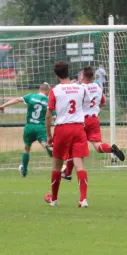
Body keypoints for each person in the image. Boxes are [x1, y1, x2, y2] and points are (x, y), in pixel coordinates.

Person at [62, 66, 124, 181]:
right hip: (94, 120)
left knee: (73, 148)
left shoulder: (80, 88)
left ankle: (68, 173)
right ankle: (111, 149)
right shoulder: (97, 87)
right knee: (98, 145)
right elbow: (102, 102)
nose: (80, 76)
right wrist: (96, 110)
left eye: (81, 75)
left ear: (83, 76)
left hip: (81, 121)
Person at [44, 61, 89, 208]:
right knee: (79, 165)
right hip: (78, 128)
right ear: (68, 71)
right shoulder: (80, 88)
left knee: (57, 166)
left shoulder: (55, 90)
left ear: (56, 74)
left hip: (62, 128)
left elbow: (48, 115)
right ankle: (83, 199)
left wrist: (49, 135)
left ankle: (54, 199)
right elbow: (85, 105)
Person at [0, 83, 53, 177]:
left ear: (39, 89)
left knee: (26, 148)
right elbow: (53, 116)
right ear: (48, 91)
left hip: (29, 127)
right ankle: (47, 147)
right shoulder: (49, 101)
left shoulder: (31, 96)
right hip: (40, 128)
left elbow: (16, 99)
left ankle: (24, 171)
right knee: (45, 144)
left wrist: (3, 105)